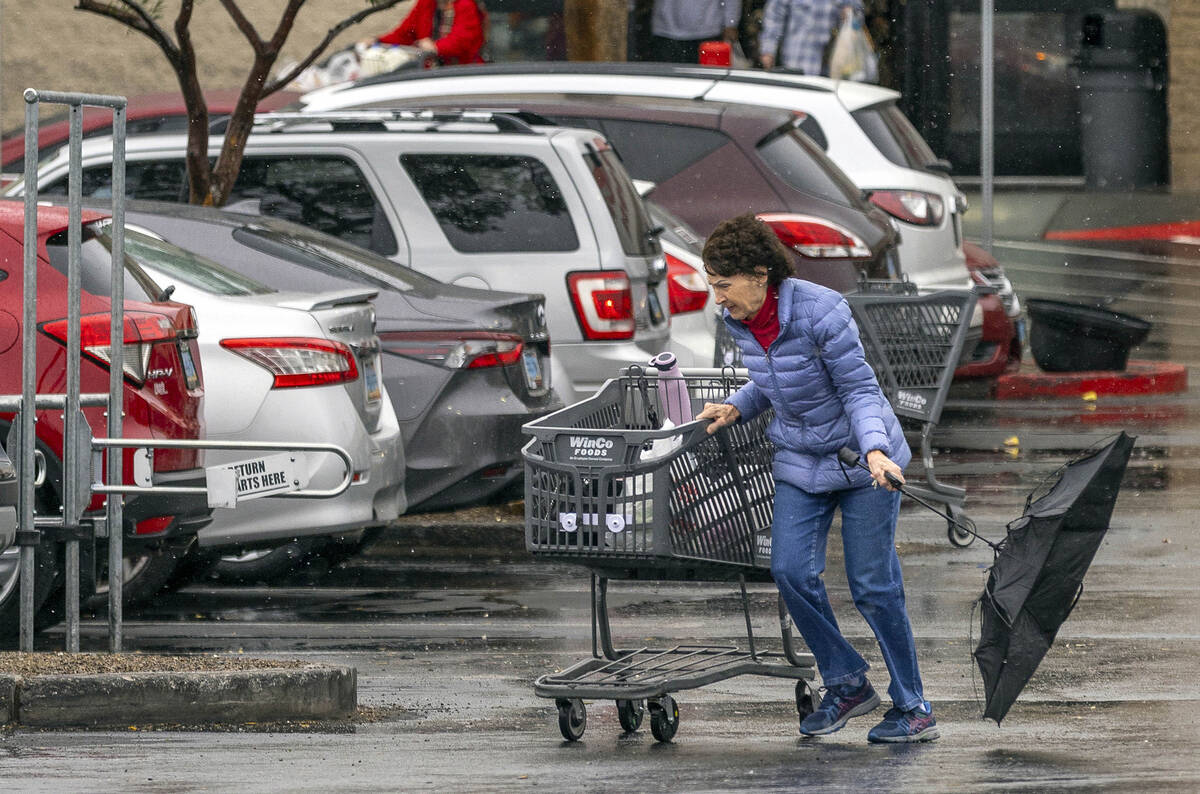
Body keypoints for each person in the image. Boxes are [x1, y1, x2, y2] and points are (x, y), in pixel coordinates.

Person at [696, 214, 939, 744]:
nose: (717, 297)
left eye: (723, 283)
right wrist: (738, 405)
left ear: (760, 273)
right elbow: (777, 381)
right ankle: (847, 682)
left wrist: (876, 449)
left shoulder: (822, 310)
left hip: (862, 460)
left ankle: (913, 704)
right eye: (712, 284)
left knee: (873, 586)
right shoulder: (741, 318)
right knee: (789, 570)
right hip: (802, 459)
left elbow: (858, 389)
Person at [369, 0, 487, 66]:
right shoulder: (426, 3)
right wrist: (378, 41)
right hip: (430, 73)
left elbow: (462, 40)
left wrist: (435, 47)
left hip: (464, 73)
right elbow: (405, 33)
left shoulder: (466, 4)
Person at [759, 0, 861, 74]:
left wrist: (850, 15)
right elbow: (774, 17)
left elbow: (858, 20)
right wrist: (768, 50)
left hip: (831, 72)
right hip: (795, 66)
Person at [649, 0, 741, 64]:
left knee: (706, 79)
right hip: (666, 29)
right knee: (668, 81)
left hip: (707, 32)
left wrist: (730, 22)